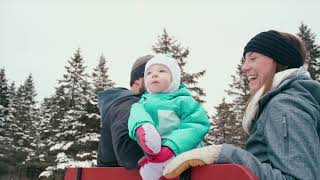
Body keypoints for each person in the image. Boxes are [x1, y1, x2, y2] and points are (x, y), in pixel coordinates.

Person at [163, 30, 320, 180]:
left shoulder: (284, 106)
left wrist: (225, 154)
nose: (244, 67)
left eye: (253, 59)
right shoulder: (288, 101)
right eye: (245, 60)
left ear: (279, 60)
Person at [128, 54, 210, 180]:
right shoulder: (142, 103)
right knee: (137, 113)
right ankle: (146, 131)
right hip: (156, 153)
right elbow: (135, 116)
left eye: (161, 71)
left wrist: (171, 147)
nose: (154, 75)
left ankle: (161, 162)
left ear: (174, 77)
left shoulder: (183, 100)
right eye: (149, 73)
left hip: (185, 151)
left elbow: (197, 125)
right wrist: (141, 127)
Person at [96, 54, 154, 168]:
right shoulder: (127, 104)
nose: (158, 78)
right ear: (137, 80)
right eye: (151, 74)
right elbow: (130, 155)